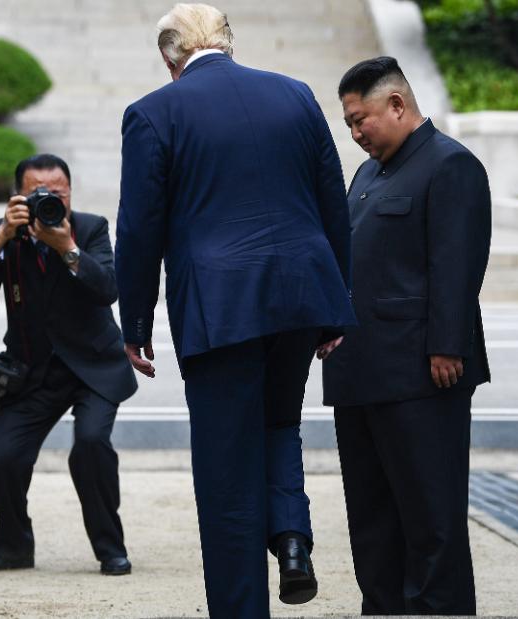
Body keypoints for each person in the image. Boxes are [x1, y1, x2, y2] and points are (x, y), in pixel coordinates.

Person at [115, 4, 355, 616]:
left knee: (225, 469)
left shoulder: (153, 112)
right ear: (228, 43)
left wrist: (135, 323)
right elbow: (333, 204)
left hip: (219, 305)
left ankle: (241, 607)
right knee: (279, 422)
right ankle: (293, 538)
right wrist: (336, 307)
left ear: (170, 60)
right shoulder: (296, 95)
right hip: (302, 295)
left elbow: (140, 229)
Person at [322, 56, 491, 615]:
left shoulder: (450, 165)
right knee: (371, 518)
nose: (355, 133)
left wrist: (449, 344)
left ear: (397, 104)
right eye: (347, 123)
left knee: (430, 518)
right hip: (360, 372)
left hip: (421, 373)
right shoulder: (367, 175)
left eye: (359, 118)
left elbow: (457, 264)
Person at [0, 154, 137, 576]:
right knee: (1, 459)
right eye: (38, 192)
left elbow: (107, 289)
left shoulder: (90, 229)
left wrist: (68, 249)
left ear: (70, 193)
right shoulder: (5, 233)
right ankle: (14, 546)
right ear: (17, 196)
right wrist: (2, 233)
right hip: (32, 371)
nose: (48, 199)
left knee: (91, 446)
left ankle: (110, 548)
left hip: (92, 367)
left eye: (57, 192)